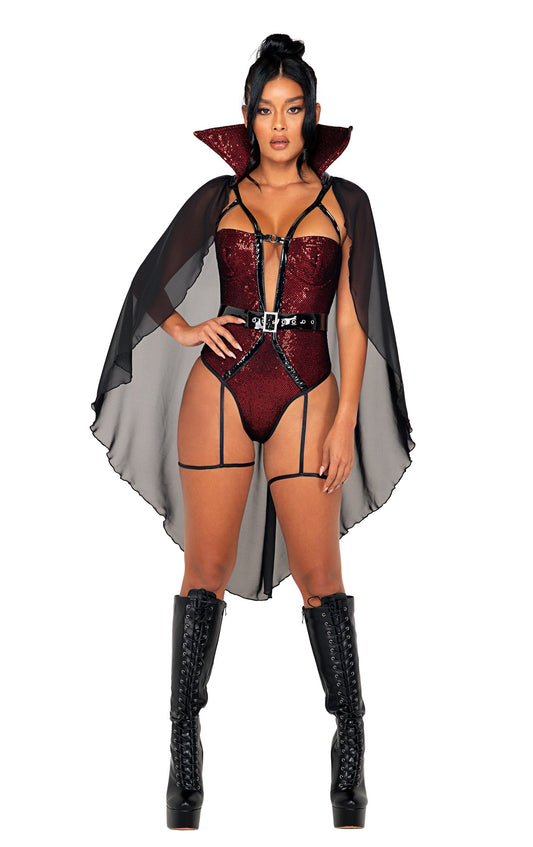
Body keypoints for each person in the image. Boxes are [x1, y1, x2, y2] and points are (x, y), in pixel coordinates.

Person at [90, 33, 415, 830]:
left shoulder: (346, 203)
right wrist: (187, 328)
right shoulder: (218, 196)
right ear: (247, 115)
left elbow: (351, 317)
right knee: (201, 568)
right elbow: (148, 284)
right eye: (266, 110)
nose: (278, 124)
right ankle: (184, 755)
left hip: (308, 390)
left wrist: (344, 418)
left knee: (320, 576)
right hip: (220, 388)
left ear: (311, 116)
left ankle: (349, 752)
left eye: (292, 109)